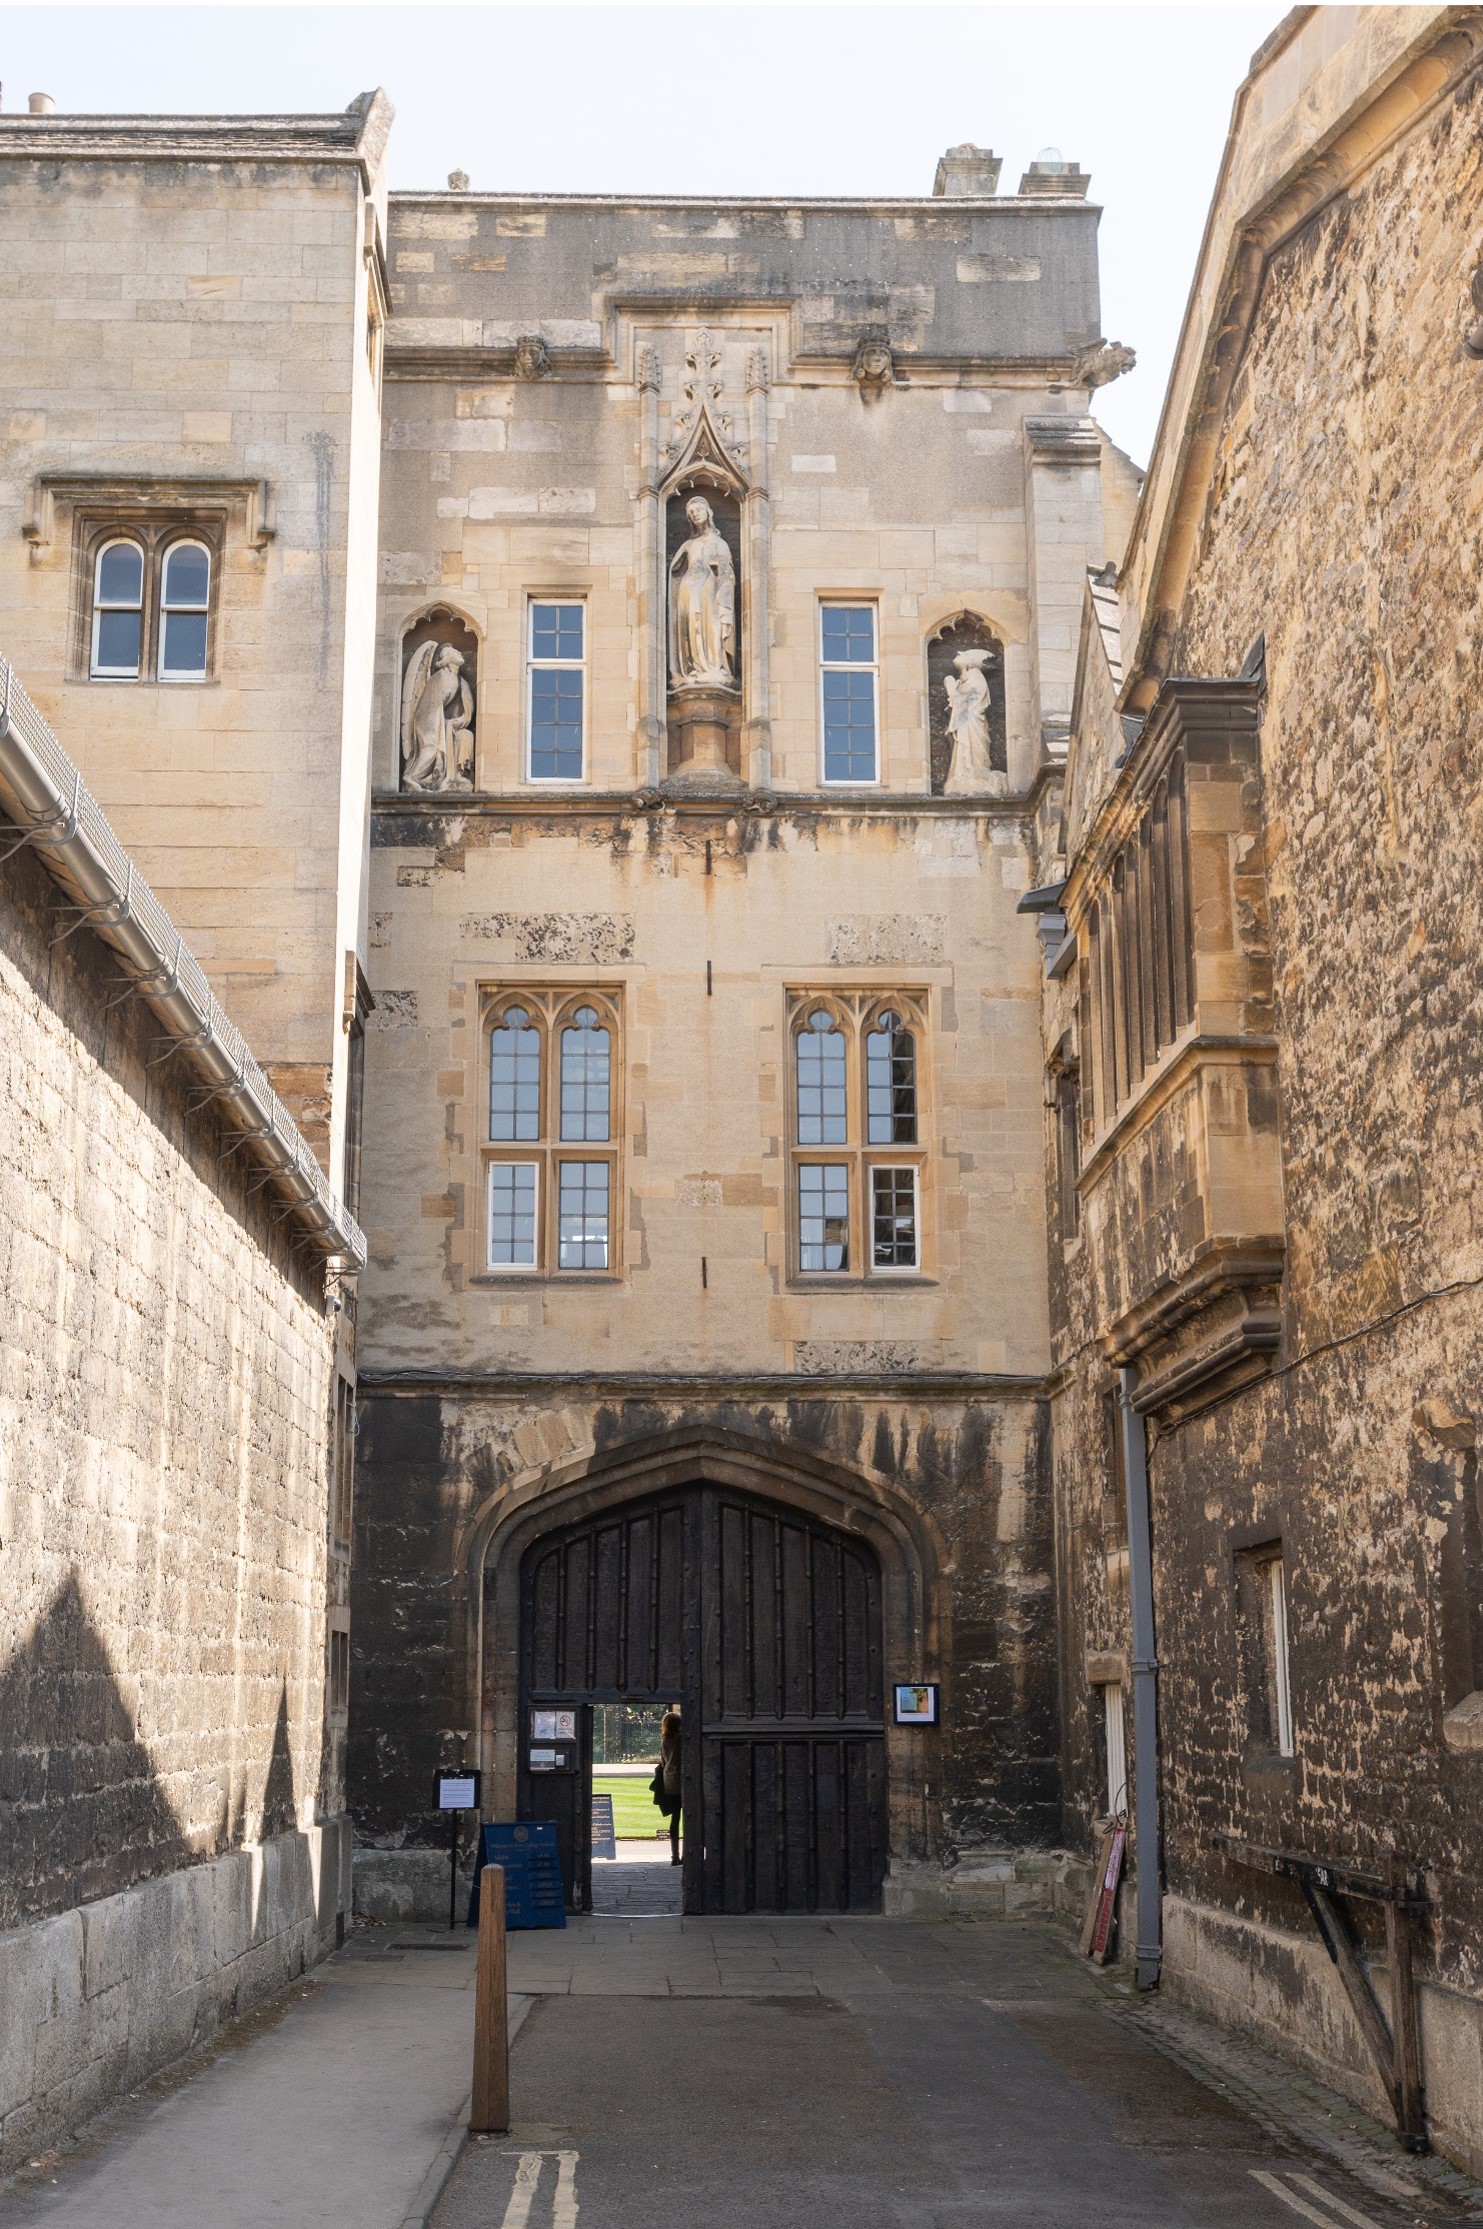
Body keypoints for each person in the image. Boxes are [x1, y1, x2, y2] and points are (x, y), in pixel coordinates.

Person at [659, 1707, 683, 1865]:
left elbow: (662, 1762)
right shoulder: (681, 1738)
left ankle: (674, 1856)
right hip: (684, 1779)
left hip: (669, 1780)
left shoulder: (664, 1740)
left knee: (675, 1818)